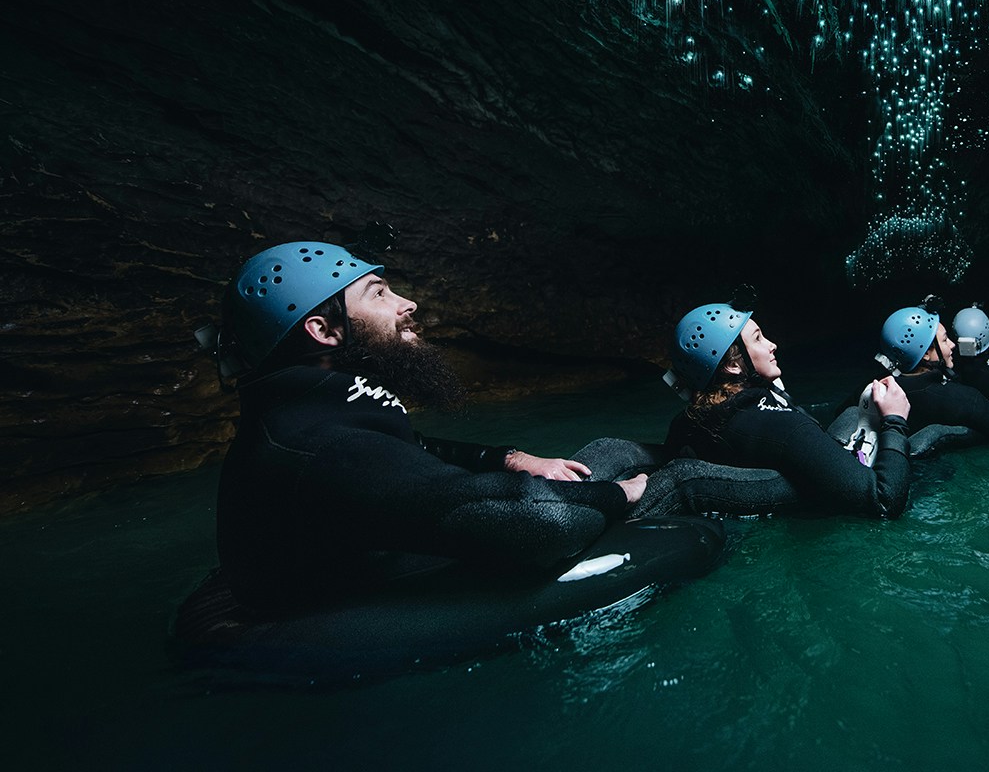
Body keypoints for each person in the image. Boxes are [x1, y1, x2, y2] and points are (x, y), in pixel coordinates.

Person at [205, 240, 654, 617]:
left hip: (381, 544)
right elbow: (537, 521)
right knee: (659, 478)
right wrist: (622, 494)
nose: (407, 304)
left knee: (613, 449)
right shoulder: (321, 445)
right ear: (324, 330)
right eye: (379, 294)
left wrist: (513, 458)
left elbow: (416, 449)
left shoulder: (316, 406)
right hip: (337, 607)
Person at [663, 301, 913, 519]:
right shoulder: (786, 428)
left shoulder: (684, 423)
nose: (773, 344)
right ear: (732, 365)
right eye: (758, 338)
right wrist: (895, 420)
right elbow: (884, 501)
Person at [850, 302, 989, 453]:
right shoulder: (962, 399)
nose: (952, 345)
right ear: (925, 354)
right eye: (945, 339)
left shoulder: (869, 390)